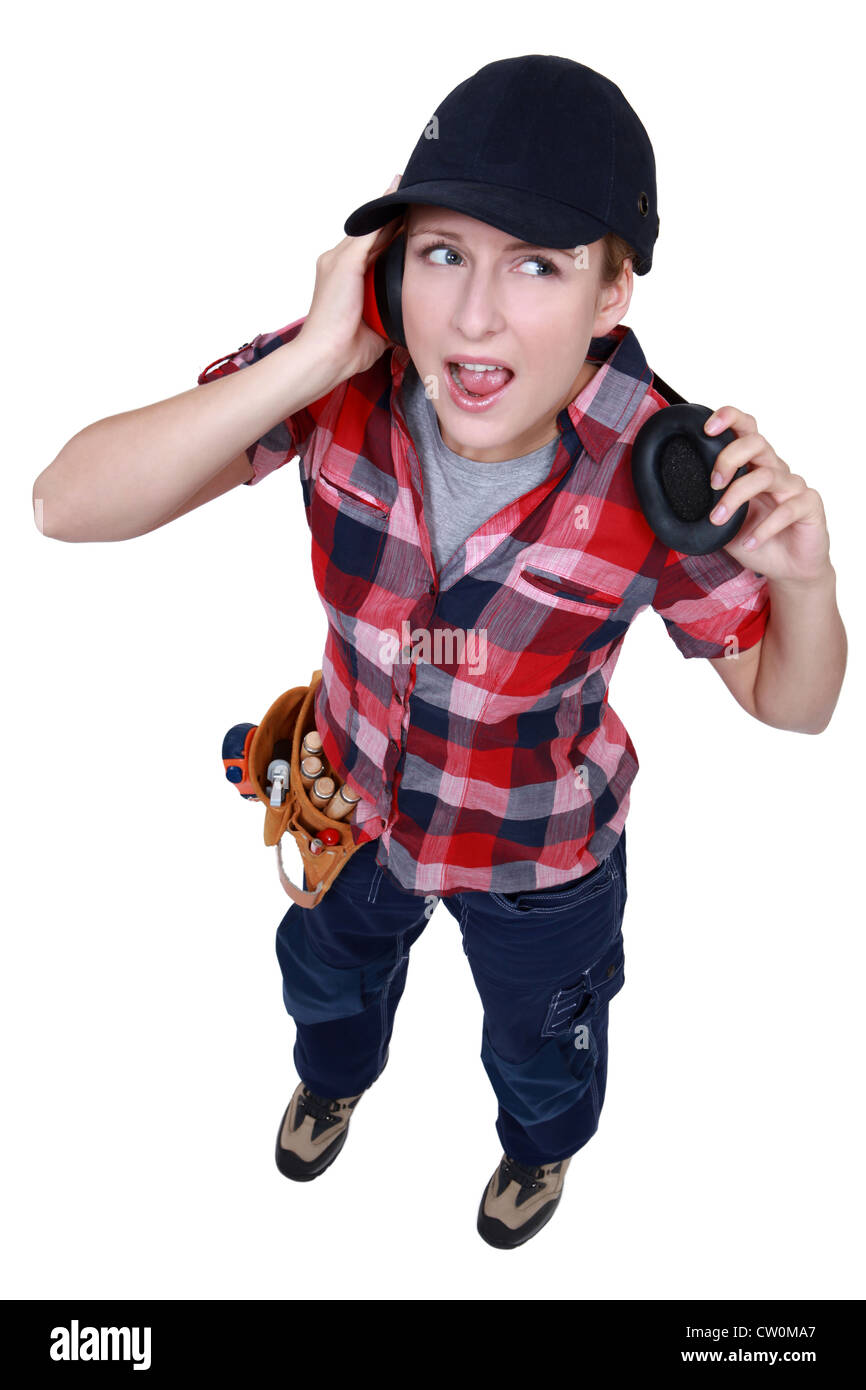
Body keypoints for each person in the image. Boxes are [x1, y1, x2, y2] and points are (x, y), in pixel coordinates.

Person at [33, 55, 846, 1250]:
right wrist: (311, 357)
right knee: (325, 982)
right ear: (384, 270)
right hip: (348, 805)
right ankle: (336, 1074)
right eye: (441, 252)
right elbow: (65, 504)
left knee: (542, 1040)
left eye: (536, 263)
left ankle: (537, 1151)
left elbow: (795, 706)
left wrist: (810, 585)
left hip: (540, 858)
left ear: (611, 292)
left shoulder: (672, 471)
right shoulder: (335, 377)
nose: (472, 314)